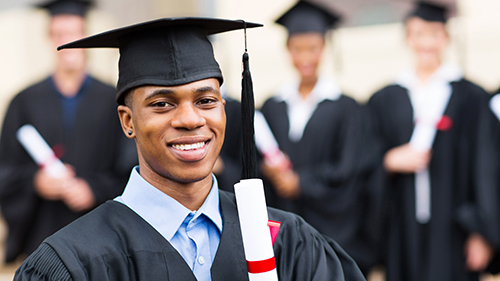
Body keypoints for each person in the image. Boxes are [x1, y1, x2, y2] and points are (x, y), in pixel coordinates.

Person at [13, 17, 366, 280]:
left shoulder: (288, 242)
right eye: (163, 104)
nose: (190, 119)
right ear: (127, 121)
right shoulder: (75, 261)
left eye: (206, 100)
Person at [367, 2, 495, 280]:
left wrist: (481, 232)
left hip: (454, 229)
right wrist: (388, 161)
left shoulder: (471, 97)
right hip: (401, 228)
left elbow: (485, 169)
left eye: (435, 33)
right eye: (418, 33)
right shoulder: (385, 99)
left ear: (446, 38)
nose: (426, 42)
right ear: (407, 38)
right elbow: (364, 161)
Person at [0, 0, 136, 263]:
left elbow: (133, 167)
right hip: (41, 241)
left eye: (75, 32)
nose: (68, 41)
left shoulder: (115, 100)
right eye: (60, 33)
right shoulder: (24, 101)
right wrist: (35, 183)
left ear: (87, 36)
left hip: (103, 239)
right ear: (49, 38)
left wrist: (93, 189)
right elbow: (5, 171)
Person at [259, 0, 374, 274]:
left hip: (331, 230)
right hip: (282, 230)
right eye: (297, 49)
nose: (305, 57)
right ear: (287, 50)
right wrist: (269, 170)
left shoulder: (346, 107)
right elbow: (253, 159)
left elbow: (349, 169)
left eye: (313, 48)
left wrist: (301, 183)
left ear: (325, 48)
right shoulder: (272, 106)